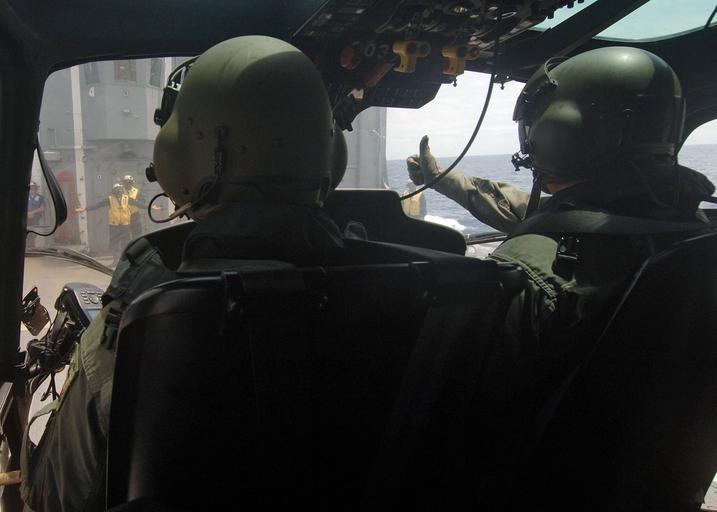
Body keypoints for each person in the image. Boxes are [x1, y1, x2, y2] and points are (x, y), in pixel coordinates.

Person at [20, 35, 349, 512]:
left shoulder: (150, 314)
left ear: (184, 154)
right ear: (330, 153)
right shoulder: (389, 284)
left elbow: (57, 496)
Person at [408, 46, 716, 507]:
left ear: (556, 133)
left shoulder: (529, 274)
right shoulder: (692, 234)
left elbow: (452, 425)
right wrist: (448, 180)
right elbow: (552, 215)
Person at [76, 183, 133, 265]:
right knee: (114, 243)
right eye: (117, 190)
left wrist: (150, 207)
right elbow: (98, 205)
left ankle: (126, 260)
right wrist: (85, 209)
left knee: (126, 242)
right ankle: (116, 261)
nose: (119, 191)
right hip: (114, 225)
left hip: (125, 225)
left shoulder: (127, 198)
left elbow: (138, 204)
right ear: (114, 191)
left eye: (120, 189)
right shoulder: (110, 199)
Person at [121, 174, 144, 239]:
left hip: (135, 216)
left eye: (129, 182)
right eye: (126, 182)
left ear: (132, 183)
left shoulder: (137, 192)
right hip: (124, 216)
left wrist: (136, 202)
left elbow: (143, 202)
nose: (128, 184)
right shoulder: (120, 191)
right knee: (125, 235)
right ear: (124, 183)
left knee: (137, 234)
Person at [26, 181, 45, 248]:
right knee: (27, 232)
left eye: (34, 188)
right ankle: (29, 246)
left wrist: (32, 212)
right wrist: (27, 214)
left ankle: (31, 245)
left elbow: (42, 208)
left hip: (35, 218)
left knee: (34, 232)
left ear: (36, 189)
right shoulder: (26, 197)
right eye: (31, 189)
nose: (32, 190)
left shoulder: (40, 198)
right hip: (27, 218)